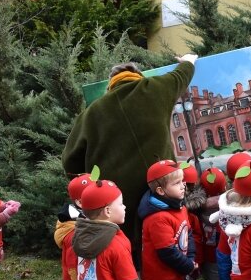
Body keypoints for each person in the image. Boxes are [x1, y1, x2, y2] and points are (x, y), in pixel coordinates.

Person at [62, 54, 198, 265]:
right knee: (164, 244)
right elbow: (182, 75)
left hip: (115, 198)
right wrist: (188, 60)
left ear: (111, 84)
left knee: (126, 255)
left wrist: (90, 180)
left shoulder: (92, 113)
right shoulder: (156, 89)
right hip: (160, 190)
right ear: (138, 76)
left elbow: (70, 161)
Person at [174, 162, 206, 280]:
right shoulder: (183, 207)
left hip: (188, 257)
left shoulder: (188, 211)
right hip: (181, 256)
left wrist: (195, 261)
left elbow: (196, 239)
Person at [199, 167, 232, 280]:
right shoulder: (228, 209)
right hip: (225, 256)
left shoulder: (197, 210)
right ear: (224, 187)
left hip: (208, 257)